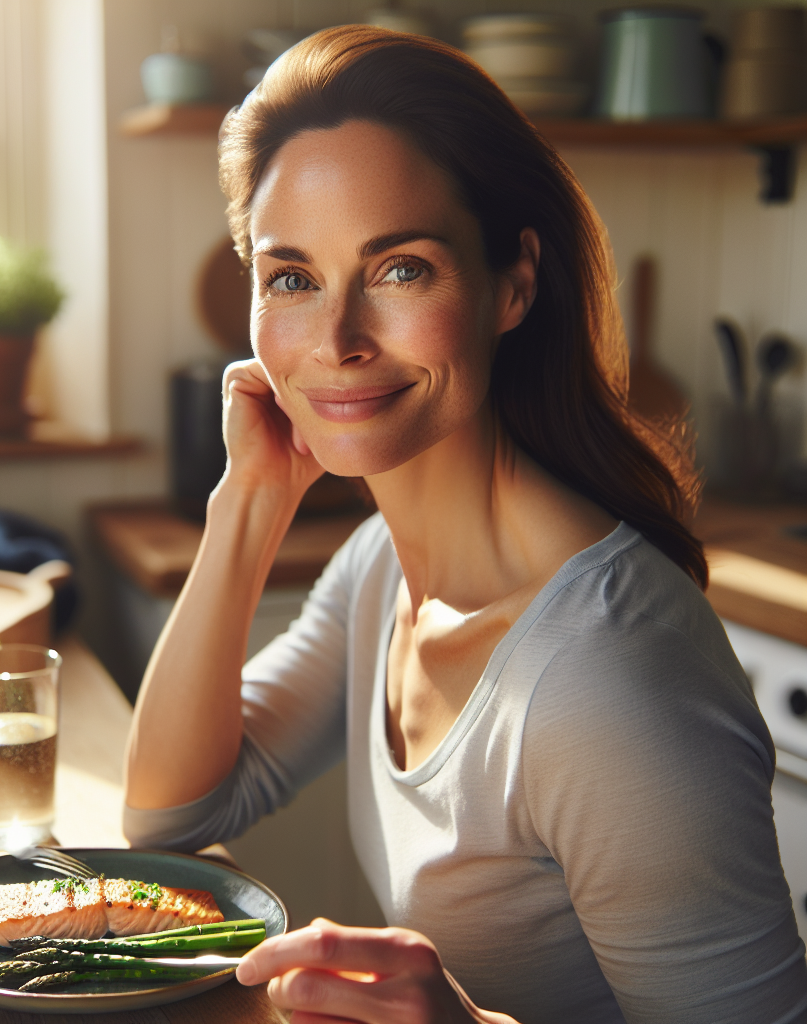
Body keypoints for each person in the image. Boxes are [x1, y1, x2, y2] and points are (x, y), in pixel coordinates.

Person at [122, 25, 807, 1024]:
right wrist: (250, 501)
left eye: (399, 269)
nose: (337, 339)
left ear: (512, 284)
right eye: (291, 277)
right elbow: (171, 810)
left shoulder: (609, 681)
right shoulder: (381, 570)